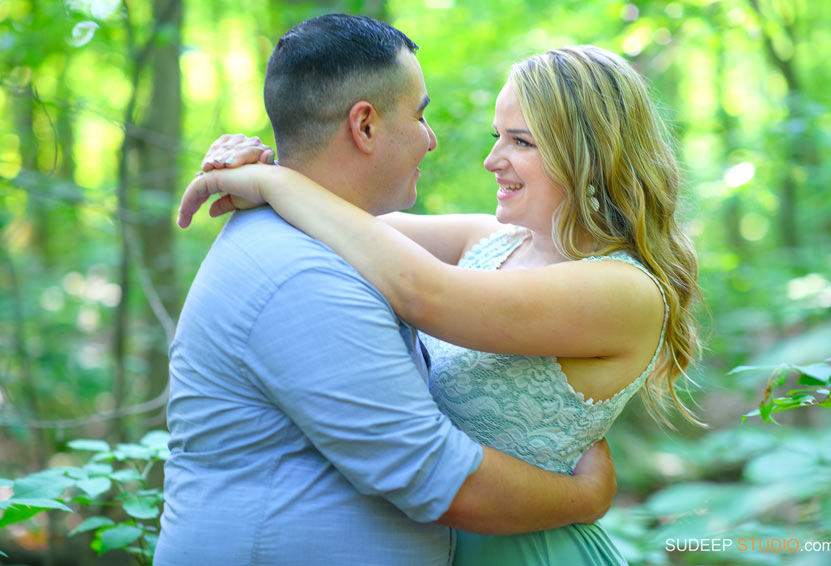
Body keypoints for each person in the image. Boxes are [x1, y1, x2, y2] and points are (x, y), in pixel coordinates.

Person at [179, 43, 703, 565]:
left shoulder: (624, 292)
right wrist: (261, 170)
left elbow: (421, 292)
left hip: (530, 552)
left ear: (590, 155)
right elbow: (346, 222)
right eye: (497, 136)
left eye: (520, 142)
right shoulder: (491, 239)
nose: (492, 160)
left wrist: (271, 181)